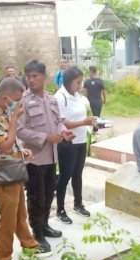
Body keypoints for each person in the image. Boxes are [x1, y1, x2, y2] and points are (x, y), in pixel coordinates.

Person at [0, 78, 50, 260]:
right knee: (8, 219)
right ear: (5, 97)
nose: (20, 104)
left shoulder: (2, 111)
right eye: (17, 99)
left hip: (14, 169)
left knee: (20, 213)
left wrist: (22, 150)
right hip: (2, 175)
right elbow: (4, 145)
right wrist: (14, 120)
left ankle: (29, 245)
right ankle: (4, 259)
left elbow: (10, 142)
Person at [17, 60, 74, 251]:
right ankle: (37, 234)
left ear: (44, 77)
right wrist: (45, 138)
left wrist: (63, 131)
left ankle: (45, 224)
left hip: (52, 156)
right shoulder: (23, 101)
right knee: (36, 196)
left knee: (49, 193)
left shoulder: (51, 100)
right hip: (35, 158)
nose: (31, 80)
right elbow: (19, 130)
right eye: (28, 76)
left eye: (35, 76)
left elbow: (58, 122)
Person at [55, 66, 95, 224]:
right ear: (69, 82)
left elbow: (82, 116)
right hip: (67, 143)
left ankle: (78, 204)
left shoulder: (77, 95)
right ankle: (60, 210)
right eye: (77, 82)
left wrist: (91, 122)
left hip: (81, 140)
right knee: (65, 176)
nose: (80, 85)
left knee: (78, 174)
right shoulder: (60, 97)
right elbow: (62, 123)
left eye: (81, 82)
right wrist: (83, 122)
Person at [83, 66, 106, 134]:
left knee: (94, 116)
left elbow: (85, 93)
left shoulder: (87, 82)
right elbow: (104, 92)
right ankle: (95, 130)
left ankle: (94, 130)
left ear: (92, 72)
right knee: (96, 116)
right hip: (97, 101)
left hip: (90, 101)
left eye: (89, 72)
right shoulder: (100, 81)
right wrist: (104, 100)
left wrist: (83, 100)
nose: (88, 73)